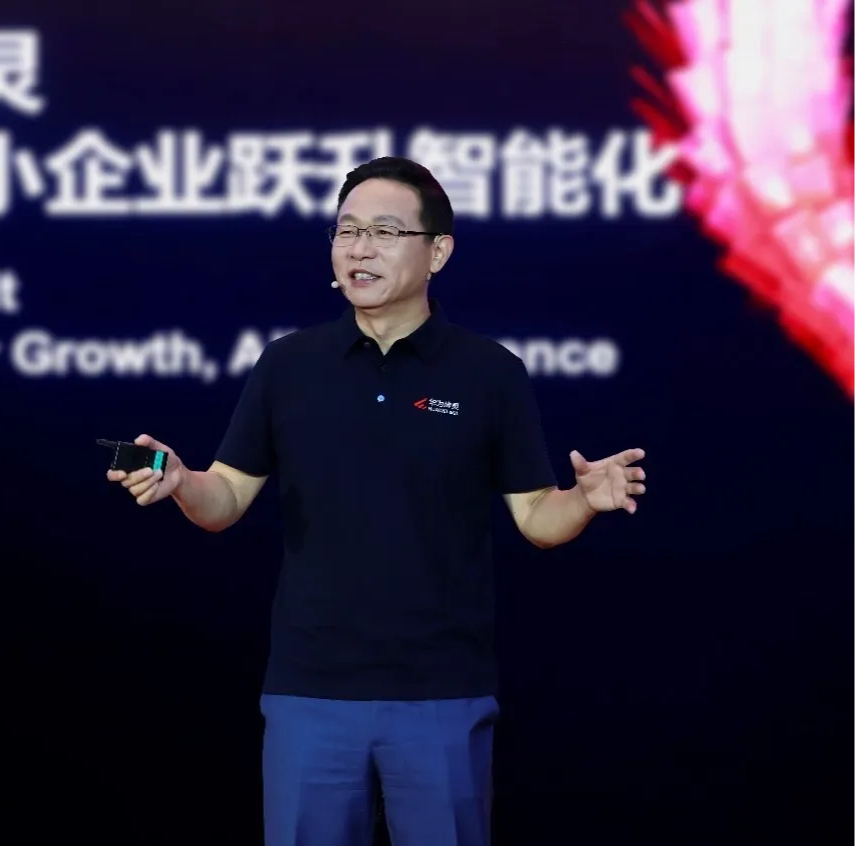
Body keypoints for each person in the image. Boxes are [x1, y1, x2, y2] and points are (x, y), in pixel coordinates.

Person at [106, 156, 646, 846]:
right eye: (346, 230)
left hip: (442, 692)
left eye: (385, 232)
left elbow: (538, 517)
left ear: (437, 252)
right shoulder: (288, 365)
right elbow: (228, 498)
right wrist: (183, 481)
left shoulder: (490, 373)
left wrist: (584, 500)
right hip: (310, 691)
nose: (359, 249)